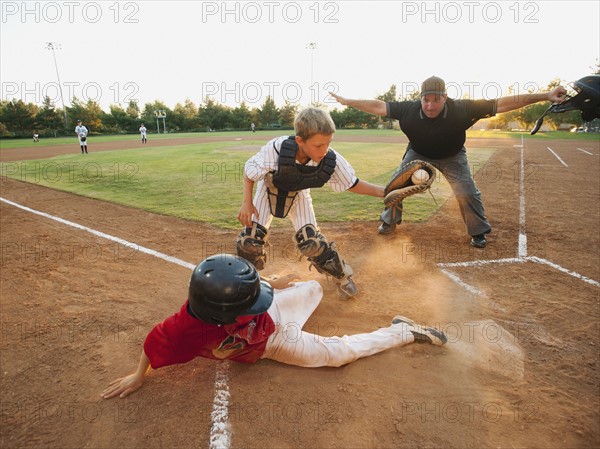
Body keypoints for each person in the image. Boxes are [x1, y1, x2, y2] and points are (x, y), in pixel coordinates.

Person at [101, 254, 447, 399]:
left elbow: (252, 291)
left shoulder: (229, 298)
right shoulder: (183, 328)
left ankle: (300, 287)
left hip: (277, 315)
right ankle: (402, 331)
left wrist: (273, 282)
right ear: (218, 314)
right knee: (338, 354)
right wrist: (138, 374)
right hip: (273, 343)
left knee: (311, 288)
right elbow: (153, 342)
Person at [331, 76, 567, 248]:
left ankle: (478, 232)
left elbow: (503, 103)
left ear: (445, 97)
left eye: (436, 100)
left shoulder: (462, 109)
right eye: (426, 100)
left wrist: (545, 96)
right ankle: (390, 221)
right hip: (418, 152)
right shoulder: (408, 109)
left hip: (452, 154)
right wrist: (350, 101)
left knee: (466, 190)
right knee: (396, 185)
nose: (430, 105)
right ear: (420, 98)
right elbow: (377, 106)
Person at [236, 107, 385, 299]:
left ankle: (343, 278)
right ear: (300, 140)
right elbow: (249, 173)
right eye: (318, 145)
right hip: (268, 190)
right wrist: (247, 203)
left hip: (298, 195)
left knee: (311, 242)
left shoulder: (330, 159)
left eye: (328, 143)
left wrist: (384, 192)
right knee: (250, 240)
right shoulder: (276, 148)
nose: (324, 150)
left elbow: (352, 184)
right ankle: (248, 283)